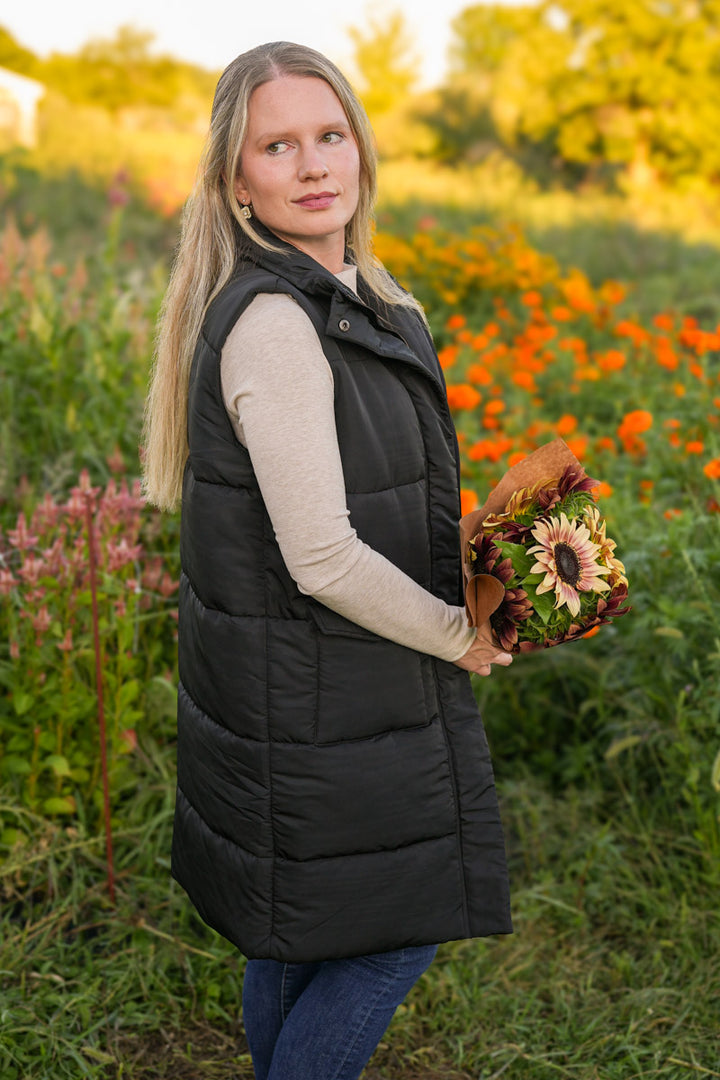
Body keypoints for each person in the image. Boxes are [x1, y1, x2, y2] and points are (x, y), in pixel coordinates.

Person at [143, 41, 513, 1080]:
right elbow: (323, 559)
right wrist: (459, 636)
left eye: (330, 134)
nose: (312, 164)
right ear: (237, 181)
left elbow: (387, 498)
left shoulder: (370, 300)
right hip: (317, 699)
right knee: (393, 932)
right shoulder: (274, 323)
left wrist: (500, 556)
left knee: (299, 931)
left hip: (316, 696)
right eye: (278, 145)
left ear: (361, 151)